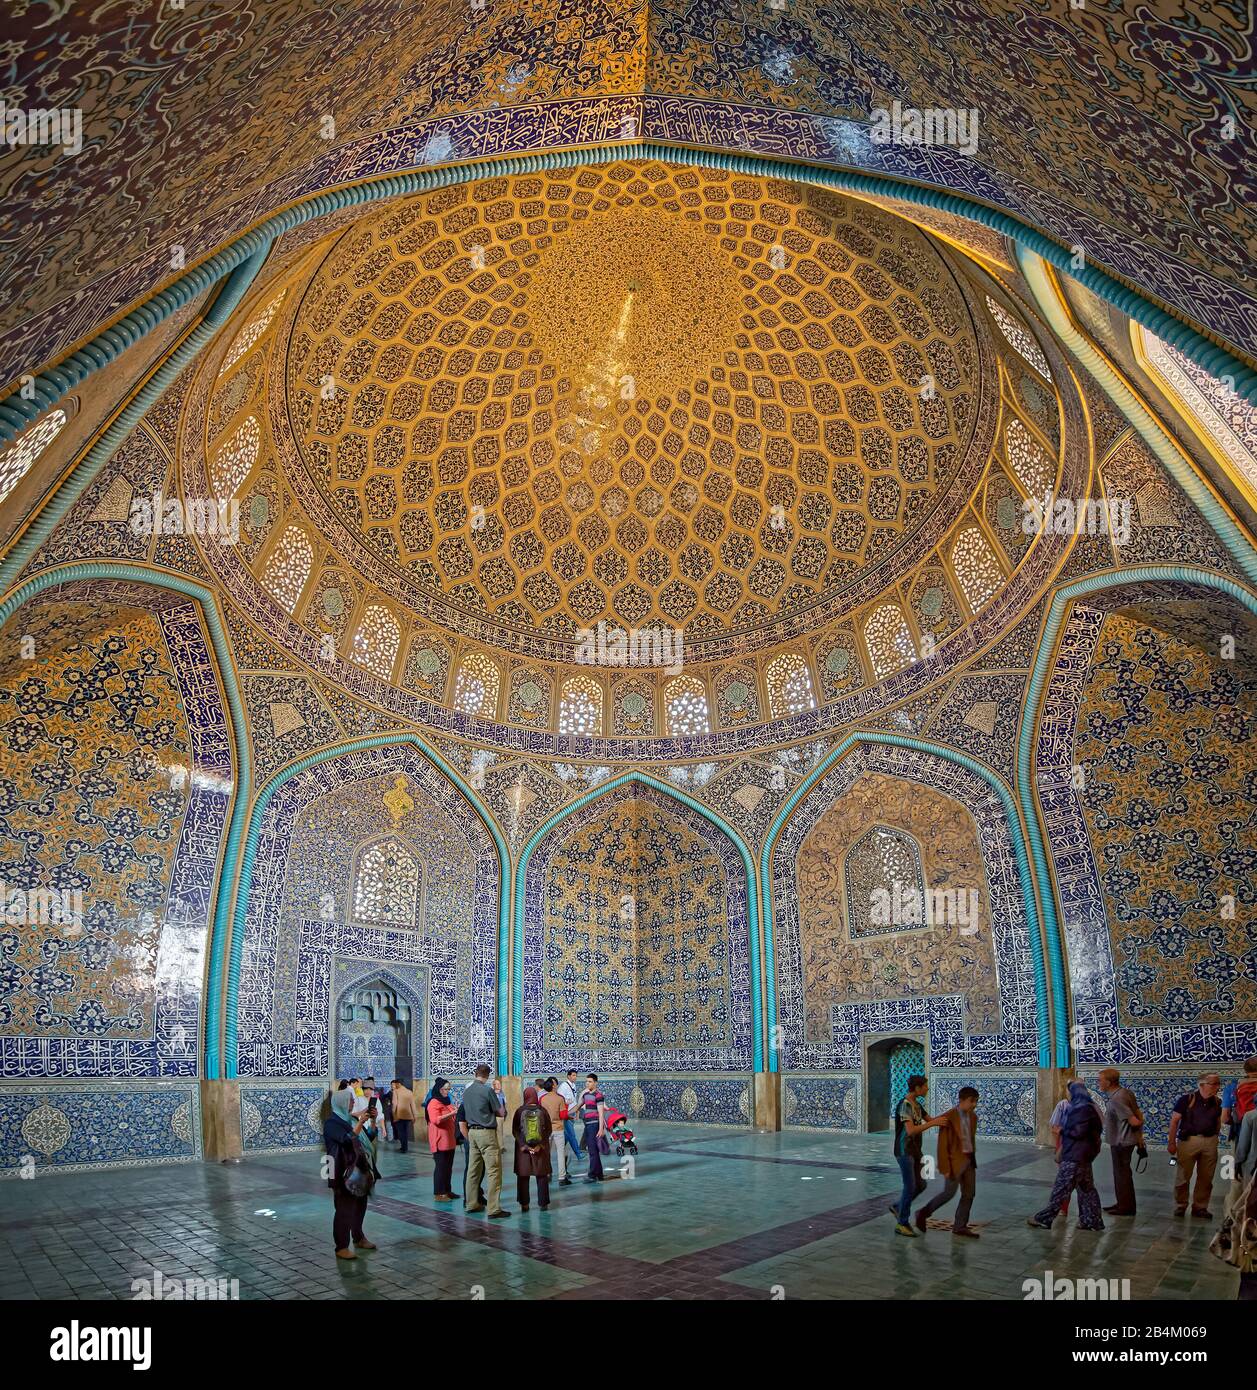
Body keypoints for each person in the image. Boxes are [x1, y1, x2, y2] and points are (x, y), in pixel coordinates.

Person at [1029, 1081, 1104, 1232]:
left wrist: (1063, 1131)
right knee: (1087, 1189)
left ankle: (1044, 1218)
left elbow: (1078, 1132)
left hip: (1074, 1156)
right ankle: (1092, 1221)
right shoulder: (1091, 1107)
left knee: (1061, 1188)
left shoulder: (1080, 1109)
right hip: (1085, 1156)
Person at [914, 1087, 980, 1238]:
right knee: (948, 1193)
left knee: (969, 1194)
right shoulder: (948, 1117)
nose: (974, 1104)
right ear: (962, 1100)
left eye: (976, 1101)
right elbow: (942, 1145)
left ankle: (960, 1226)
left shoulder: (973, 1117)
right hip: (954, 1162)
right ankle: (923, 1213)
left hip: (969, 1160)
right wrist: (945, 1166)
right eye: (972, 1101)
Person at [323, 1088, 380, 1261]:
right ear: (341, 1103)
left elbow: (369, 1137)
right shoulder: (332, 1123)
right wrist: (360, 1123)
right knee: (344, 1208)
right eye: (350, 1100)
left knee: (360, 1204)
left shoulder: (349, 1119)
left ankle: (358, 1237)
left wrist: (372, 1121)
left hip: (358, 1169)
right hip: (341, 1170)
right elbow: (348, 1139)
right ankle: (341, 1246)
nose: (353, 1103)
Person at [891, 1074, 945, 1238]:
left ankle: (898, 1207)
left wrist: (946, 1119)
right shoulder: (905, 1105)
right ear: (917, 1088)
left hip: (915, 1151)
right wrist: (933, 1123)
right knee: (910, 1186)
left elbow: (931, 1119)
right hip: (904, 1151)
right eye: (925, 1086)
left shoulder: (917, 1105)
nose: (927, 1089)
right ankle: (902, 1223)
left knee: (920, 1185)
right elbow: (911, 1131)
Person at [1209, 1104, 1256, 1283]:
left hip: (1252, 1168)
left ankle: (1245, 1248)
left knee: (1247, 1207)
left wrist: (1237, 1163)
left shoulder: (1251, 1116)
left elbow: (1242, 1147)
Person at [1168, 1072, 1222, 1218]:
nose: (1217, 1087)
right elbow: (1174, 1121)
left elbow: (1218, 1122)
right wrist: (1172, 1142)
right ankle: (1181, 1205)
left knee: (1206, 1176)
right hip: (1188, 1141)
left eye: (1218, 1083)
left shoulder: (1217, 1102)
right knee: (1183, 1175)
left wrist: (1215, 1139)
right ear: (1202, 1085)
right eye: (1214, 1084)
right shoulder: (1187, 1100)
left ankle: (1200, 1207)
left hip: (1209, 1142)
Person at [463, 1064, 510, 1217]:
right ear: (488, 1075)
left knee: (473, 1170)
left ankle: (471, 1204)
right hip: (486, 1134)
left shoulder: (467, 1091)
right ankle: (493, 1208)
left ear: (475, 1073)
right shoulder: (487, 1090)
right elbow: (501, 1112)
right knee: (494, 1171)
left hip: (472, 1133)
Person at [1097, 1067, 1143, 1216]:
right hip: (1125, 1141)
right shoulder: (1125, 1093)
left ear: (1109, 1082)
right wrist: (1139, 1138)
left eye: (1100, 1080)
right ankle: (1123, 1203)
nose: (1099, 1083)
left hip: (1121, 1142)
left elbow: (1134, 1120)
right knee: (1122, 1174)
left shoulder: (1117, 1099)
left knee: (1121, 1175)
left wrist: (1137, 1133)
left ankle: (1126, 1207)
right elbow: (1138, 1113)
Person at [512, 1085, 554, 1211]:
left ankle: (524, 1204)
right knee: (541, 1176)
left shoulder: (519, 1111)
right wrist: (540, 1145)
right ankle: (543, 1203)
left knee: (523, 1176)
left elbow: (515, 1131)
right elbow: (548, 1130)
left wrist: (524, 1146)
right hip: (539, 1149)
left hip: (523, 1151)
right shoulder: (543, 1110)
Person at [425, 1077, 459, 1201]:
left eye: (449, 1089)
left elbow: (452, 1117)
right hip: (440, 1140)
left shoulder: (447, 1101)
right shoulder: (433, 1102)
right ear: (439, 1089)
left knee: (448, 1167)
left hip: (450, 1140)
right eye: (445, 1089)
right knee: (440, 1167)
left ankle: (447, 1190)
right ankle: (439, 1193)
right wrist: (452, 1114)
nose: (447, 1091)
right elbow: (435, 1120)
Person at [540, 1078, 571, 1186]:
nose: (557, 1085)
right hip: (558, 1128)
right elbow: (563, 1115)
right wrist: (566, 1108)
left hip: (546, 1130)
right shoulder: (560, 1098)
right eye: (556, 1083)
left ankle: (547, 1174)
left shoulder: (542, 1099)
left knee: (546, 1153)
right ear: (553, 1086)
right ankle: (562, 1178)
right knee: (560, 1153)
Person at [455, 1095, 484, 1209]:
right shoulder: (464, 1106)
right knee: (471, 1169)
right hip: (470, 1141)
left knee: (481, 1169)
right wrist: (471, 1142)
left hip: (479, 1140)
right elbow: (462, 1127)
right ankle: (468, 1198)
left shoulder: (479, 1105)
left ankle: (478, 1195)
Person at [578, 1074, 607, 1183]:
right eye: (587, 1081)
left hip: (594, 1125)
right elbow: (579, 1106)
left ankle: (592, 1175)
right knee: (593, 1150)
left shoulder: (598, 1095)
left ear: (595, 1083)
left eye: (590, 1081)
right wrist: (568, 1112)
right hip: (588, 1125)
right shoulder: (585, 1095)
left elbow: (601, 1114)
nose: (587, 1083)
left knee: (592, 1151)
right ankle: (599, 1174)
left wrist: (601, 1129)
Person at [1221, 1057, 1257, 1144]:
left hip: (1241, 1132)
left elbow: (1224, 1118)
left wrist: (1238, 1121)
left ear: (1245, 1070)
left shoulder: (1232, 1086)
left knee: (1242, 1156)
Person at [557, 1070, 584, 1167]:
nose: (575, 1077)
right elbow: (560, 1099)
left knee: (567, 1135)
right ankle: (578, 1153)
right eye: (573, 1075)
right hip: (567, 1114)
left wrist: (576, 1111)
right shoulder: (563, 1086)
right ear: (568, 1076)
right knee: (571, 1134)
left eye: (576, 1075)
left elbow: (574, 1100)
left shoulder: (573, 1085)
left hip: (572, 1112)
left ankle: (558, 1149)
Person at [390, 1079, 417, 1154]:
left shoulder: (396, 1092)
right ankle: (405, 1147)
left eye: (395, 1084)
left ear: (399, 1084)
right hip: (408, 1116)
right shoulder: (409, 1092)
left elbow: (394, 1104)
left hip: (399, 1115)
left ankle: (403, 1148)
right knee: (405, 1132)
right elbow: (413, 1105)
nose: (394, 1086)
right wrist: (415, 1116)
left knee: (401, 1133)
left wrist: (394, 1115)